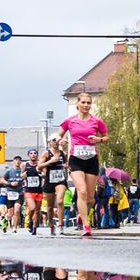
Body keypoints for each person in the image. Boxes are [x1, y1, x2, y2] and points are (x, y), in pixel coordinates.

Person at [56, 92, 108, 238]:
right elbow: (57, 136)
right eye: (83, 103)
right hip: (75, 159)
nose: (86, 105)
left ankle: (82, 214)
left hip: (91, 159)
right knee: (82, 191)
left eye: (88, 103)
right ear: (77, 104)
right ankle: (86, 225)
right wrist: (60, 141)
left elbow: (106, 136)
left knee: (91, 198)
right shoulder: (70, 121)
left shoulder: (97, 121)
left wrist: (99, 139)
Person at [39, 137, 69, 236]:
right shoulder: (46, 153)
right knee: (50, 206)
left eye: (57, 141)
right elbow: (39, 166)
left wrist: (66, 165)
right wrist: (50, 161)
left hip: (60, 180)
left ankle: (61, 225)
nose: (56, 142)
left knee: (60, 201)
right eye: (54, 141)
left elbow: (66, 163)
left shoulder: (61, 153)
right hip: (49, 180)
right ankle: (51, 225)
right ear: (50, 142)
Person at [21, 148, 44, 235]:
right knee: (32, 208)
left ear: (37, 155)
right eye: (31, 153)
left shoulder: (40, 164)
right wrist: (23, 175)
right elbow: (22, 175)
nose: (33, 155)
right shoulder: (25, 164)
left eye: (35, 153)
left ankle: (34, 228)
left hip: (38, 190)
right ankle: (30, 221)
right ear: (28, 155)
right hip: (28, 190)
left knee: (37, 211)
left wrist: (41, 174)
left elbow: (44, 174)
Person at [2, 156, 24, 233]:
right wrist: (10, 183)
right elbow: (2, 180)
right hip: (11, 193)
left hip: (20, 193)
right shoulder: (9, 171)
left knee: (17, 210)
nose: (17, 162)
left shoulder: (22, 171)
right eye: (16, 160)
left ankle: (14, 228)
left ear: (20, 162)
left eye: (19, 160)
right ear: (13, 162)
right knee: (10, 214)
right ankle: (5, 219)